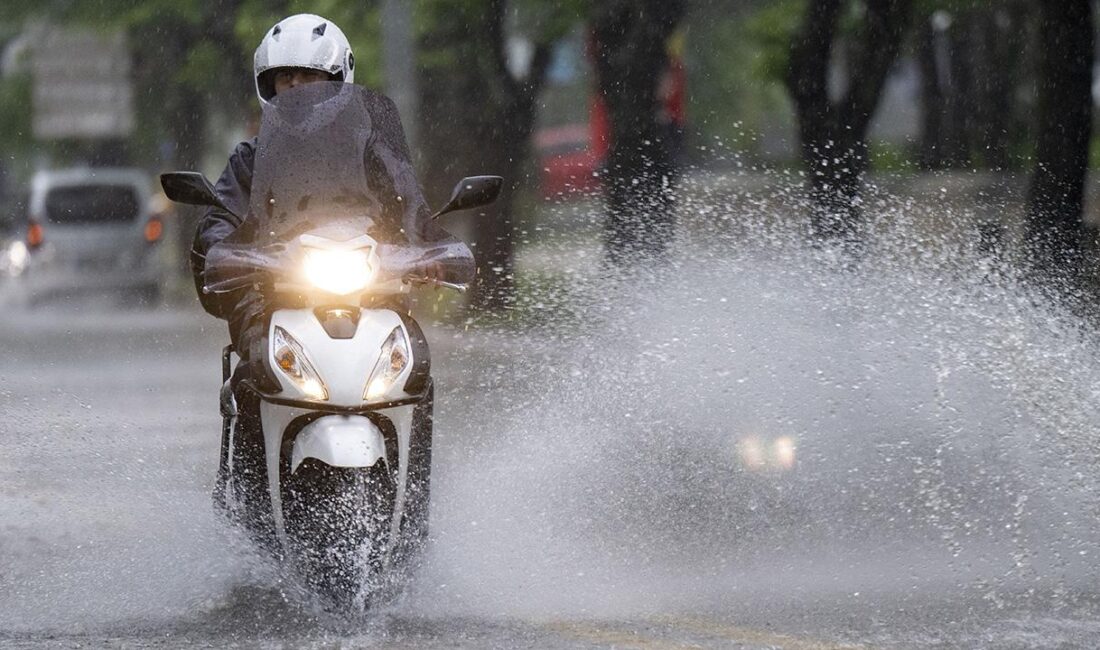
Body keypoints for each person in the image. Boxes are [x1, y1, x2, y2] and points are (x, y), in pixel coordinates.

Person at [190, 14, 471, 528]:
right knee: (255, 369)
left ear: (339, 82)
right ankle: (253, 520)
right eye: (285, 80)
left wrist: (439, 248)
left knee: (417, 365)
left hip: (372, 296)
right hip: (277, 298)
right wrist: (219, 251)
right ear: (269, 88)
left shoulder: (375, 155)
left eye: (308, 78)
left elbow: (414, 216)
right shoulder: (250, 161)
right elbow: (221, 221)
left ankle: (413, 520)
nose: (297, 88)